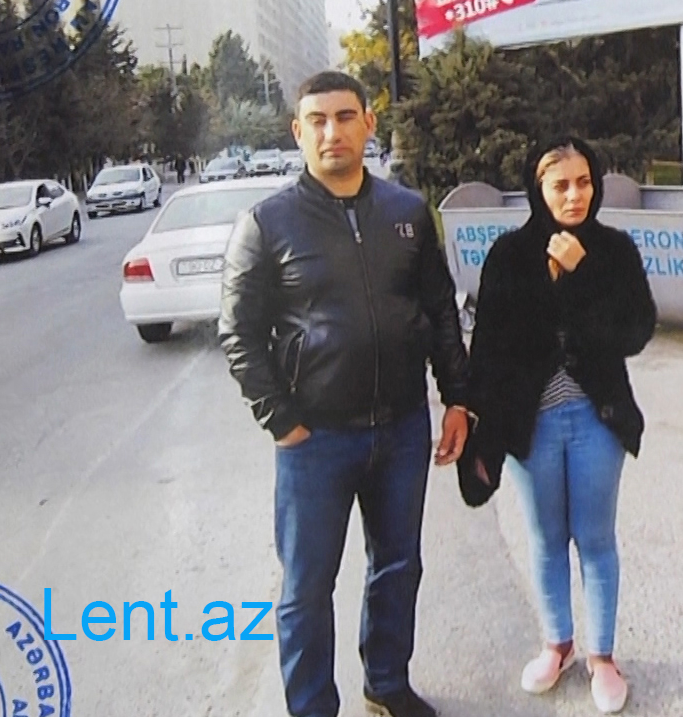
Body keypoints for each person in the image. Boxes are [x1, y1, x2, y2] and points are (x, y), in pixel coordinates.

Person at [217, 70, 472, 717]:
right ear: (298, 132)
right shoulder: (267, 223)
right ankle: (311, 707)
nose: (332, 131)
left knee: (398, 566)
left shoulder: (407, 212)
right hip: (315, 440)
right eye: (318, 120)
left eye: (345, 116)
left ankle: (386, 683)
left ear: (368, 123)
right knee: (307, 588)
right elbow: (238, 333)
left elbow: (440, 311)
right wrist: (281, 420)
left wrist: (457, 398)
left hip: (402, 428)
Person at [460, 136, 657, 714]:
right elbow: (489, 347)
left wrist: (582, 273)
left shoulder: (613, 250)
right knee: (546, 538)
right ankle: (557, 644)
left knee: (595, 538)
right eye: (560, 185)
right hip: (533, 423)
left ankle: (602, 656)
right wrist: (475, 423)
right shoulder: (508, 254)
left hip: (598, 418)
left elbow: (636, 331)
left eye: (584, 183)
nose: (574, 196)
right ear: (537, 189)